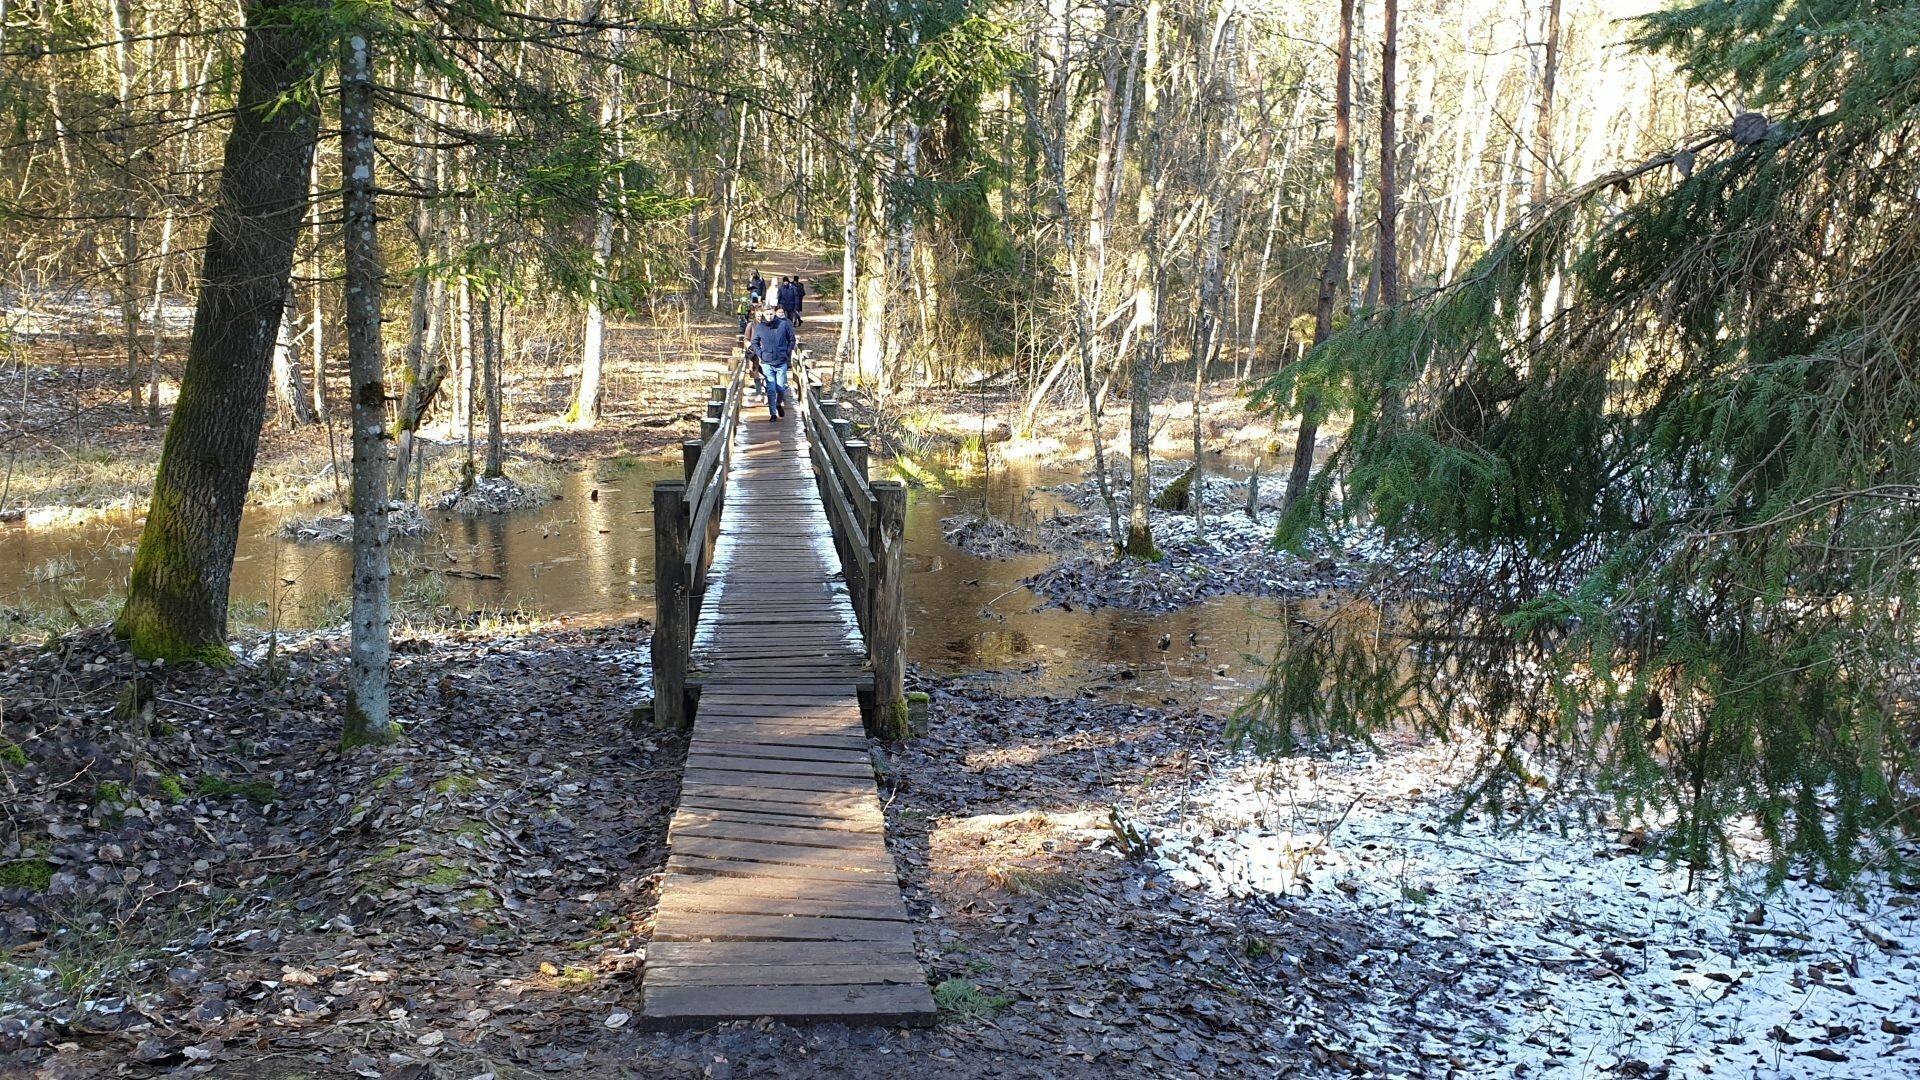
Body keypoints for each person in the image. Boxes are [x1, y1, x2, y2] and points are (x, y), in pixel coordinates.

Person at [748, 307, 796, 420]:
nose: (769, 316)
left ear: (775, 314)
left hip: (781, 361)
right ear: (764, 314)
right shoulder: (760, 327)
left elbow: (792, 339)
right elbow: (754, 342)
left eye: (771, 314)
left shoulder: (783, 325)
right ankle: (773, 413)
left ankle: (778, 404)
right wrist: (761, 354)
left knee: (780, 388)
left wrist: (787, 352)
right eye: (767, 314)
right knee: (771, 388)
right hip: (767, 362)